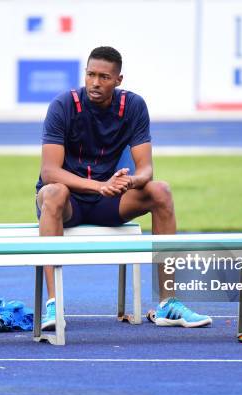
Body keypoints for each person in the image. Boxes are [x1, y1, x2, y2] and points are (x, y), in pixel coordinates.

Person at [35, 46, 211, 331]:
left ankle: (168, 304)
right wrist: (98, 185)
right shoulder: (64, 105)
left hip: (108, 201)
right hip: (68, 204)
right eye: (91, 74)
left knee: (161, 191)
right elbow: (49, 171)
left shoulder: (133, 106)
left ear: (118, 80)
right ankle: (54, 306)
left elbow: (147, 170)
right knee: (53, 191)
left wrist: (129, 181)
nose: (95, 82)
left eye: (104, 77)